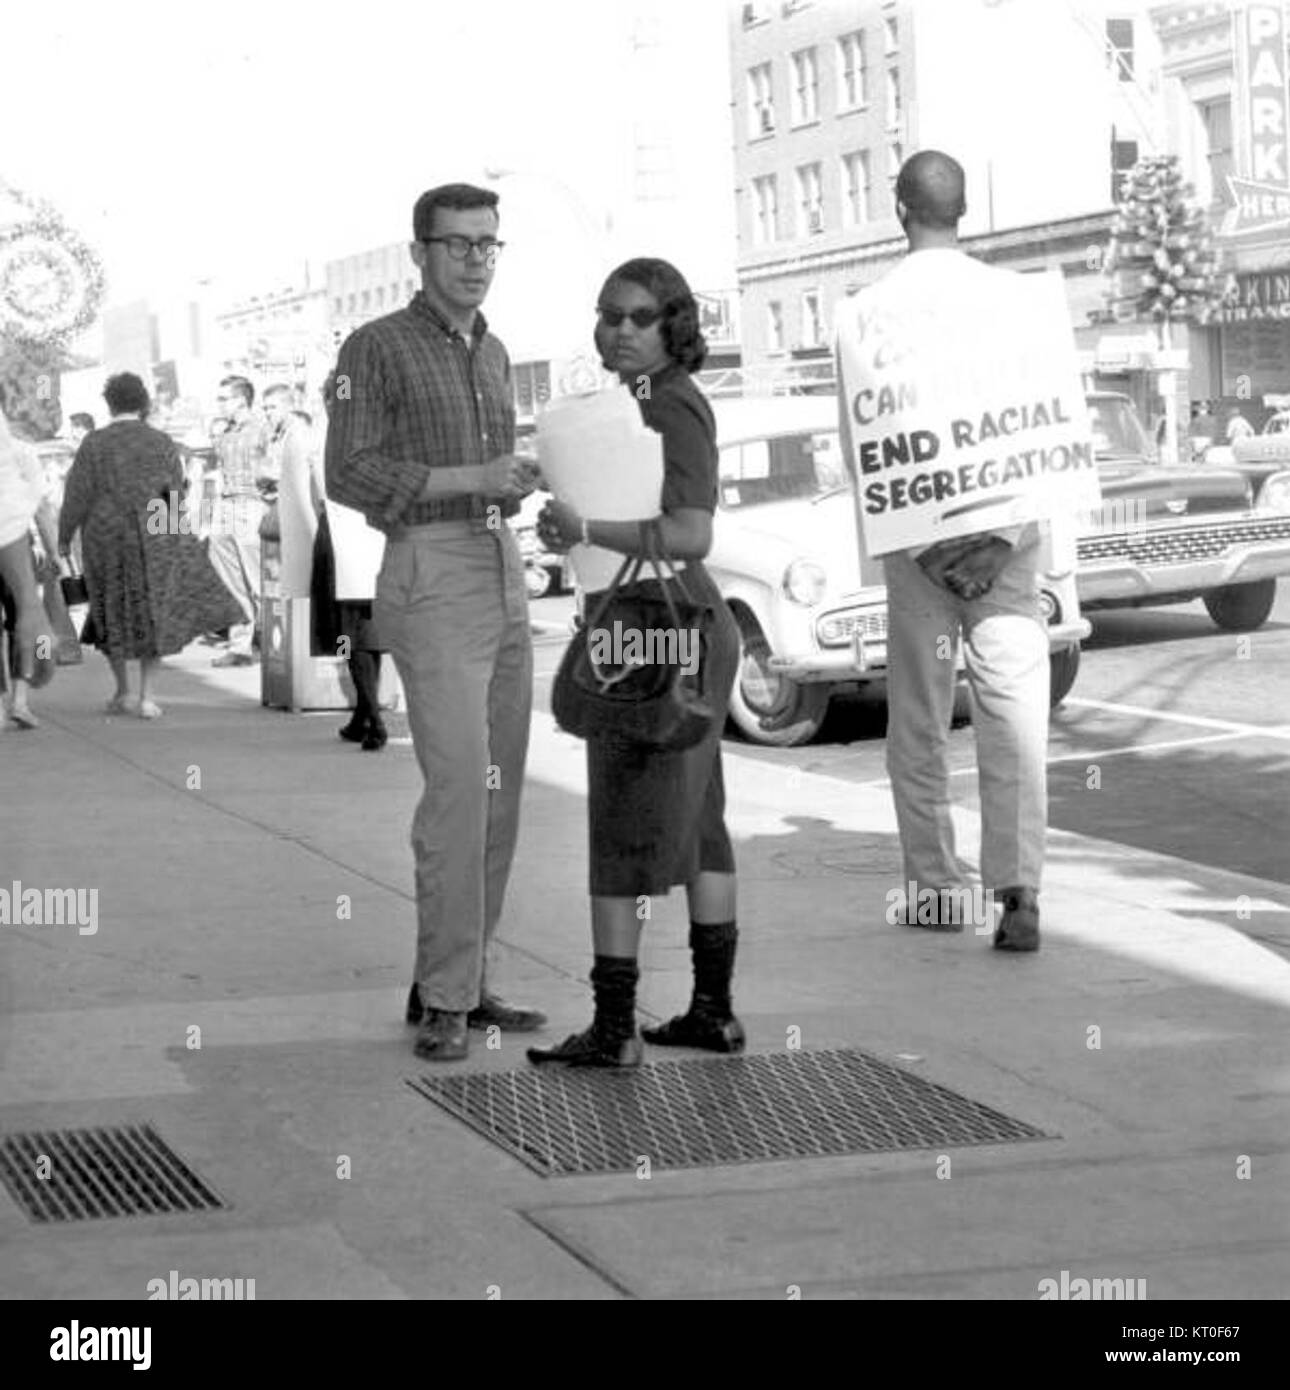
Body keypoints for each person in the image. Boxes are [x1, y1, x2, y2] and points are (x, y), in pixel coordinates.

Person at [326, 182, 546, 1061]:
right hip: (430, 564)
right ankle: (449, 996)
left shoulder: (491, 351)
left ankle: (465, 977)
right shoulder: (374, 347)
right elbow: (349, 471)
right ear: (418, 253)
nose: (476, 260)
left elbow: (487, 474)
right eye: (458, 245)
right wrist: (474, 479)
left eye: (489, 244)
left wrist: (518, 480)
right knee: (458, 793)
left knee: (501, 792)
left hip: (500, 566)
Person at [527, 258, 743, 1069]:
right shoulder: (643, 402)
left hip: (651, 627)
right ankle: (712, 1012)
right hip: (679, 622)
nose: (620, 329)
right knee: (703, 826)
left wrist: (586, 528)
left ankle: (615, 1030)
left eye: (640, 317)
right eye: (609, 314)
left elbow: (691, 532)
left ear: (673, 323)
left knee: (616, 826)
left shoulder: (670, 404)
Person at [847, 150, 1048, 952]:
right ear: (965, 209)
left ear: (901, 208)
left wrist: (919, 546)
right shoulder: (1016, 302)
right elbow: (1045, 433)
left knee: (920, 720)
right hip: (1007, 546)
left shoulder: (868, 313)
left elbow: (869, 443)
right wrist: (1007, 539)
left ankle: (935, 887)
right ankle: (1019, 889)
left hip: (919, 551)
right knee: (1014, 719)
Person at [57, 372, 243, 717]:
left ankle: (122, 691)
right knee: (150, 610)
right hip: (152, 533)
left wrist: (64, 537)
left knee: (109, 609)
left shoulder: (95, 443)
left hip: (105, 536)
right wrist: (176, 538)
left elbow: (77, 494)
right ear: (142, 403)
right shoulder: (160, 441)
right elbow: (173, 490)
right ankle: (147, 696)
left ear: (109, 402)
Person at [310, 373, 388, 750]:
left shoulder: (324, 436)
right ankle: (364, 713)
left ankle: (372, 715)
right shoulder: (383, 432)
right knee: (369, 629)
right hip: (376, 538)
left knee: (348, 631)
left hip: (340, 538)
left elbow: (312, 492)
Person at [206, 375, 271, 667]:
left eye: (224, 398)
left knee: (258, 579)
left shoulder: (262, 429)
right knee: (231, 582)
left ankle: (273, 643)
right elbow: (215, 473)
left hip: (251, 504)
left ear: (241, 400)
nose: (219, 404)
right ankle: (240, 646)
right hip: (227, 504)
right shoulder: (224, 432)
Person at [0, 410, 53, 729]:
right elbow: (41, 508)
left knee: (21, 623)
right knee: (20, 622)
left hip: (12, 542)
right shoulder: (25, 454)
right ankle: (20, 699)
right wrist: (54, 551)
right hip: (16, 544)